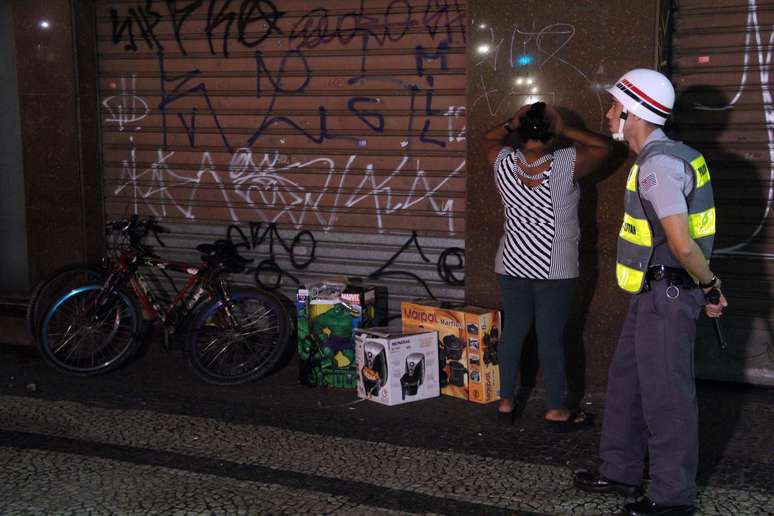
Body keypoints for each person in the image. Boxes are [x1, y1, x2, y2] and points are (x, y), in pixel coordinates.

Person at [572, 69, 728, 516]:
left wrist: (711, 286)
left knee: (667, 397)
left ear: (632, 112)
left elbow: (682, 243)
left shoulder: (659, 165)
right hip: (652, 292)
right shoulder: (657, 159)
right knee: (628, 385)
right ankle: (620, 468)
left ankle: (671, 495)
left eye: (614, 106)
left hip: (670, 294)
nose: (607, 113)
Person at [481, 102, 613, 430]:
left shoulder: (503, 161)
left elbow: (485, 139)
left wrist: (511, 123)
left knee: (513, 334)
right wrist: (563, 128)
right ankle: (556, 409)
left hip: (513, 262)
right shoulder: (566, 163)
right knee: (550, 338)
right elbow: (603, 147)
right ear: (551, 132)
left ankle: (505, 403)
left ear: (521, 131)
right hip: (555, 267)